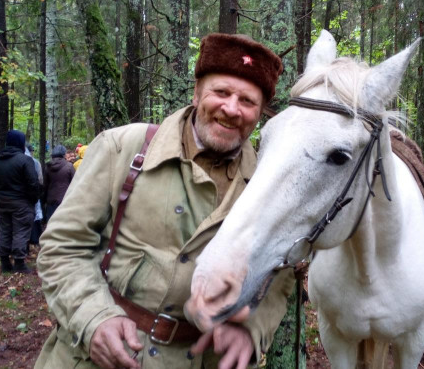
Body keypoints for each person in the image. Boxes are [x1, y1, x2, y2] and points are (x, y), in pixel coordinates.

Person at [35, 33, 294, 369]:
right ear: (197, 91)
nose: (231, 108)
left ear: (259, 114)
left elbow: (278, 277)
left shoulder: (265, 186)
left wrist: (251, 331)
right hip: (101, 357)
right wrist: (94, 318)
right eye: (221, 92)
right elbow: (62, 246)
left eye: (247, 101)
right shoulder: (124, 148)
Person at [0, 130, 40, 273]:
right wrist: (33, 199)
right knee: (21, 231)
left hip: (3, 203)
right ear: (20, 143)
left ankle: (5, 262)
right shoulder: (25, 160)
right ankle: (19, 263)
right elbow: (33, 183)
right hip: (21, 203)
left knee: (5, 231)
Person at [43, 145, 76, 221]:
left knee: (51, 225)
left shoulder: (48, 166)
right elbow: (75, 184)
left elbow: (45, 185)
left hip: (51, 201)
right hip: (65, 201)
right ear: (64, 154)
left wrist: (43, 201)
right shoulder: (69, 166)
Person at [25, 144, 44, 247]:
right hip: (32, 194)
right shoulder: (35, 162)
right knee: (34, 216)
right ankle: (35, 239)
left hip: (19, 196)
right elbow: (40, 179)